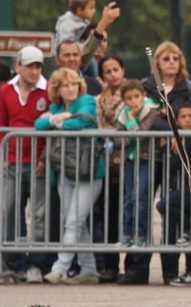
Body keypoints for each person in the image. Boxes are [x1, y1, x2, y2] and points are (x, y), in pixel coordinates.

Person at [35, 68, 104, 285]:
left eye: (74, 83)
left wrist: (56, 121)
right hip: (64, 170)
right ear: (57, 89)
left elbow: (83, 122)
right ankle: (89, 269)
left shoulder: (87, 101)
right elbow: (38, 125)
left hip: (88, 171)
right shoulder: (55, 106)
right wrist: (58, 118)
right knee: (75, 221)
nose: (71, 88)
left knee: (74, 220)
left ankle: (60, 267)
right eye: (65, 85)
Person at [0, 46, 50, 283]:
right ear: (18, 67)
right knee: (8, 211)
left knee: (39, 215)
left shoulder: (48, 91)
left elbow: (51, 129)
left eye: (38, 66)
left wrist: (45, 158)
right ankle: (11, 263)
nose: (35, 71)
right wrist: (1, 155)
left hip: (38, 163)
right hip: (12, 161)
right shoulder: (7, 90)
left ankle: (35, 265)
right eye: (30, 66)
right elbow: (1, 124)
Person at [160, 103, 191, 286]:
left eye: (190, 116)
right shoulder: (171, 138)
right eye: (183, 117)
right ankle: (170, 274)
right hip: (173, 189)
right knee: (171, 231)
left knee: (162, 205)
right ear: (176, 121)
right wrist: (174, 135)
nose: (187, 120)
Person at [115, 79, 161, 247]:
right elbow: (118, 139)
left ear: (144, 95)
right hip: (130, 159)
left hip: (147, 159)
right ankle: (127, 233)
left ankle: (140, 234)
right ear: (124, 100)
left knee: (139, 196)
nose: (133, 101)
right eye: (129, 98)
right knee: (128, 198)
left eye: (136, 96)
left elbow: (141, 135)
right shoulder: (123, 114)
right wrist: (130, 132)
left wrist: (132, 120)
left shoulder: (152, 112)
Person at [95, 55, 128, 282]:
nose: (113, 74)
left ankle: (134, 266)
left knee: (128, 213)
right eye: (108, 71)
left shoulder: (133, 94)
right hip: (105, 162)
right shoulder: (98, 100)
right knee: (108, 216)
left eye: (116, 69)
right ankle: (110, 266)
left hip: (127, 161)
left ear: (122, 70)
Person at [142, 41, 191, 118]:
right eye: (166, 59)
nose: (172, 62)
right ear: (157, 63)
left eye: (175, 59)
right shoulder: (145, 87)